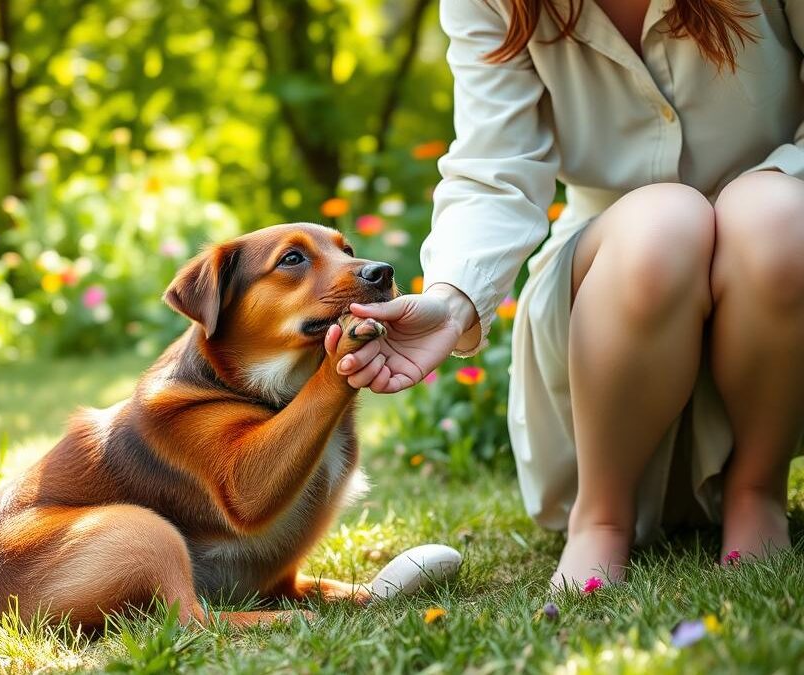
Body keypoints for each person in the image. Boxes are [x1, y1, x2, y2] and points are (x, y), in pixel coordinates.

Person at [334, 0, 804, 590]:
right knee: (666, 222)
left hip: (782, 277)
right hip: (615, 284)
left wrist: (769, 183)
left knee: (774, 214)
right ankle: (601, 515)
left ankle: (757, 491)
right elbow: (495, 165)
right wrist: (452, 303)